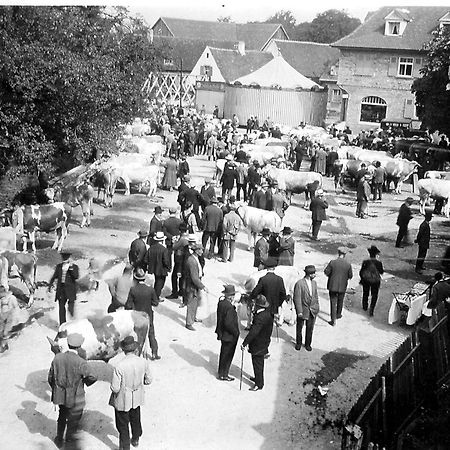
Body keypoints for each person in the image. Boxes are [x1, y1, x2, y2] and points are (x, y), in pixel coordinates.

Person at [48, 333, 97, 448]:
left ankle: (59, 439)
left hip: (60, 396)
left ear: (68, 344)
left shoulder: (57, 358)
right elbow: (93, 376)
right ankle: (69, 443)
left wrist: (57, 390)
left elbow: (50, 377)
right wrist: (85, 382)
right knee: (73, 421)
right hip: (76, 397)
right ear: (79, 346)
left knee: (62, 416)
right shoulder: (80, 362)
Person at [109, 336, 152, 450]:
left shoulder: (119, 366)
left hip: (124, 399)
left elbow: (115, 388)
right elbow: (148, 380)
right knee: (135, 417)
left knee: (122, 424)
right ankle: (136, 439)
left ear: (124, 350)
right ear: (135, 349)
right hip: (137, 396)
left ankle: (125, 447)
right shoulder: (143, 362)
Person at [126, 268, 160, 360]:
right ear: (144, 278)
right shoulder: (150, 289)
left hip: (137, 315)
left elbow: (128, 305)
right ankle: (154, 352)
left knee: (138, 335)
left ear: (135, 278)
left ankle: (138, 353)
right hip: (148, 314)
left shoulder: (133, 290)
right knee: (151, 332)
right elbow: (156, 303)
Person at [241, 294, 273, 391]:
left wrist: (245, 343)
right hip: (264, 342)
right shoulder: (267, 314)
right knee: (259, 363)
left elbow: (253, 332)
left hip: (258, 344)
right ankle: (258, 378)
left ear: (259, 305)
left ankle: (259, 384)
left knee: (257, 364)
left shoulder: (260, 317)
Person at [215, 285, 240, 381]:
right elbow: (228, 323)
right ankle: (224, 374)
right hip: (229, 335)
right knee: (228, 355)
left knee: (223, 353)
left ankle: (221, 372)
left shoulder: (221, 303)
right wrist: (236, 332)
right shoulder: (229, 307)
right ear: (231, 296)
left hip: (223, 334)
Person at [293, 265, 319, 351]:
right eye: (313, 273)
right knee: (299, 327)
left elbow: (315, 296)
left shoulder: (314, 283)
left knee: (310, 328)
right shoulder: (299, 283)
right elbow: (297, 298)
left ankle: (308, 344)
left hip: (312, 310)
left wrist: (317, 307)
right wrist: (299, 311)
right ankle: (298, 343)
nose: (315, 275)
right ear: (309, 274)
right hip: (303, 310)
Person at [324, 247, 353, 326]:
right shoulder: (348, 264)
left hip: (332, 285)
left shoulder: (332, 262)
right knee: (340, 300)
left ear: (338, 253)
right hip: (342, 286)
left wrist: (331, 275)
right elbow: (350, 276)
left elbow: (326, 272)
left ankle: (333, 320)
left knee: (333, 302)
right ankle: (338, 314)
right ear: (345, 255)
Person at [49, 251, 80, 325]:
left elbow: (76, 276)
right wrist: (50, 285)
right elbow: (54, 276)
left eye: (66, 257)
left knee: (70, 308)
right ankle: (62, 325)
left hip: (70, 290)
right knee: (61, 308)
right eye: (63, 257)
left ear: (69, 258)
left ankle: (73, 322)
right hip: (61, 289)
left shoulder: (74, 267)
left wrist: (71, 268)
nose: (64, 259)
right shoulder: (59, 266)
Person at [184, 243, 208, 331]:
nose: (202, 251)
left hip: (195, 284)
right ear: (197, 251)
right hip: (191, 285)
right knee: (191, 302)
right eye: (201, 250)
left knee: (196, 301)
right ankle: (189, 323)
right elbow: (194, 277)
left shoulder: (195, 258)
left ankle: (193, 317)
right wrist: (203, 286)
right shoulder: (191, 261)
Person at [145, 231, 171, 301]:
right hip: (162, 269)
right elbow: (166, 261)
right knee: (160, 283)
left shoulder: (151, 248)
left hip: (154, 268)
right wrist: (168, 267)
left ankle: (155, 296)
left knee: (157, 282)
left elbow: (146, 259)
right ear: (162, 240)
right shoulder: (164, 249)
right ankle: (156, 297)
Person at [359, 245, 384, 316]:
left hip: (366, 280)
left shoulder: (365, 262)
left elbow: (361, 272)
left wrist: (362, 278)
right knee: (374, 295)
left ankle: (365, 306)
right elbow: (381, 272)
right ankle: (372, 309)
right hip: (375, 281)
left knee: (365, 293)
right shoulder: (379, 263)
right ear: (376, 255)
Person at [169, 223, 189, 300]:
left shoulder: (182, 239)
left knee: (174, 276)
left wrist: (174, 241)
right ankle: (181, 290)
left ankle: (175, 292)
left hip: (179, 258)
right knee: (182, 276)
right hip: (184, 259)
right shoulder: (187, 237)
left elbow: (174, 247)